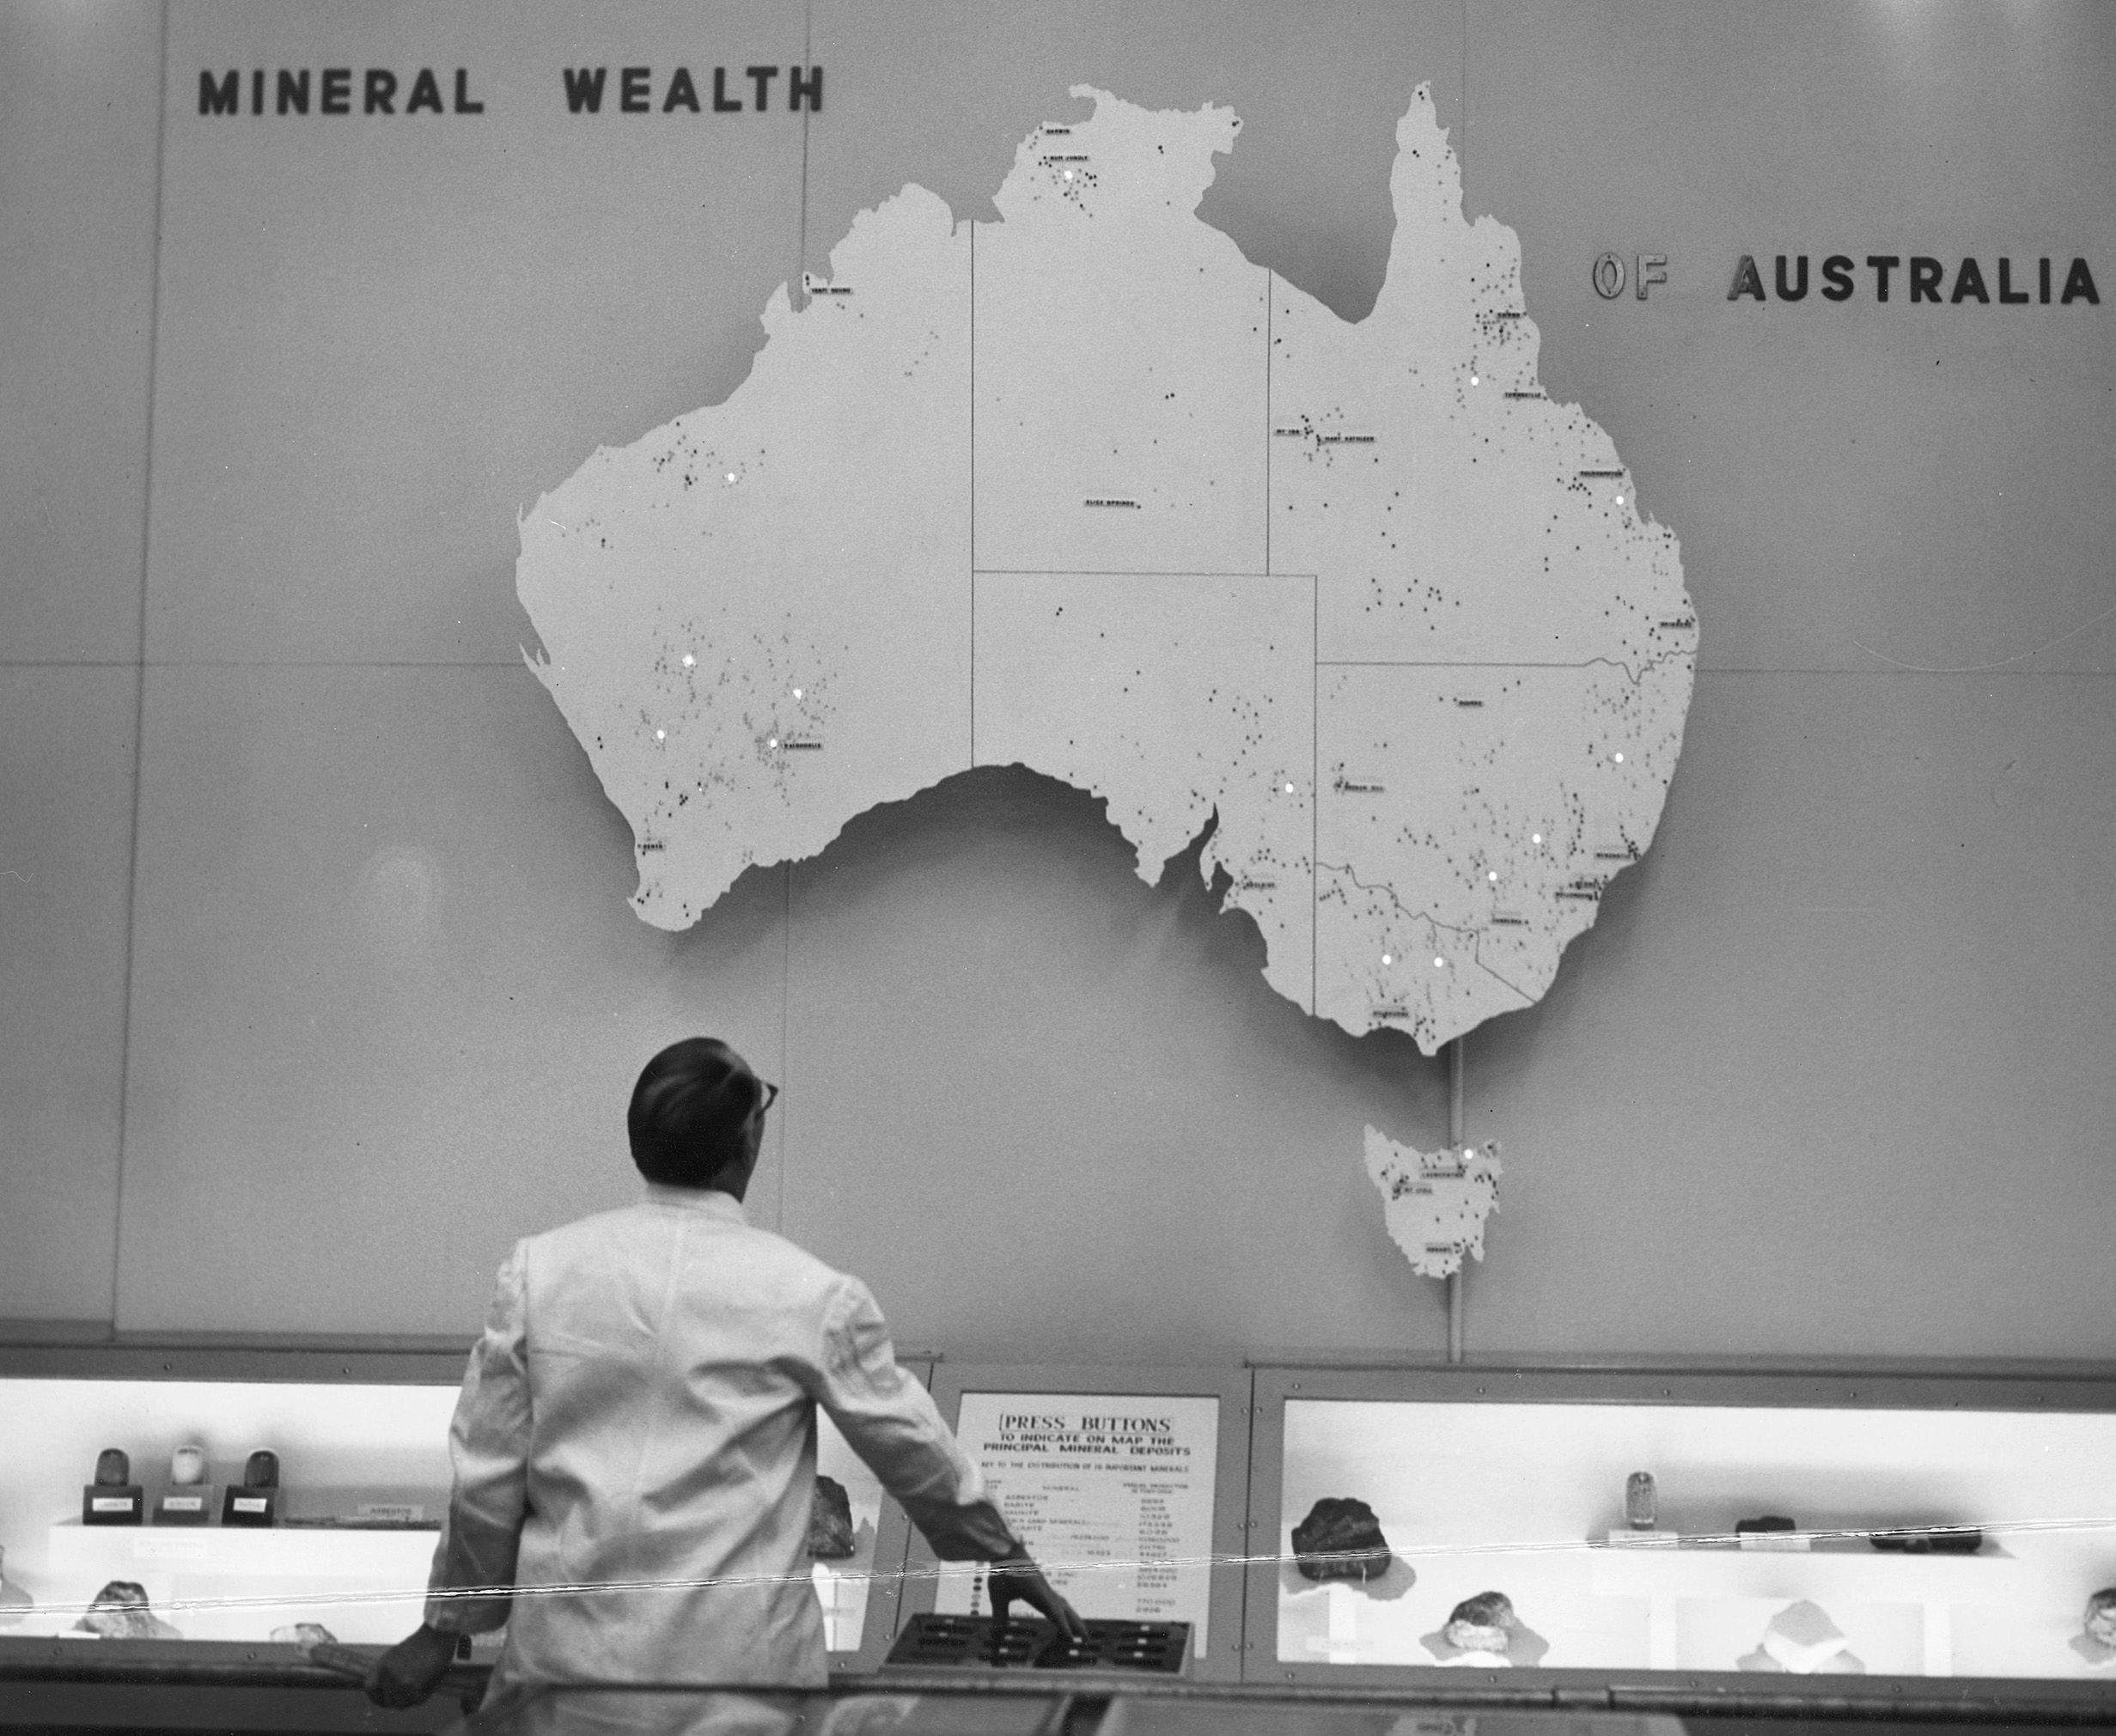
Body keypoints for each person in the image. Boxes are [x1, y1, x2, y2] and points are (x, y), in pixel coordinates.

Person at [367, 1038, 1083, 1709]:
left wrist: (445, 1626)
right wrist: (1004, 1553)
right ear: (747, 1143)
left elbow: (488, 1469)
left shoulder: (541, 1270)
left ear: (638, 1140)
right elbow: (911, 1447)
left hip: (567, 1679)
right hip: (740, 1683)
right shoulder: (809, 1292)